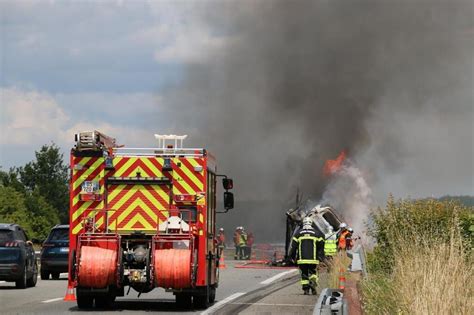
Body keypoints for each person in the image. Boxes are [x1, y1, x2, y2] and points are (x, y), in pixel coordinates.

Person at [289, 217, 325, 295]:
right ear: (311, 223)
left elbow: (293, 247)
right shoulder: (317, 233)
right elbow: (321, 246)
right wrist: (321, 257)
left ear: (303, 223)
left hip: (302, 259)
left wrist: (292, 257)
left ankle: (306, 289)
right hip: (313, 259)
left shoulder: (298, 233)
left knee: (304, 273)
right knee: (313, 272)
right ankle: (313, 283)